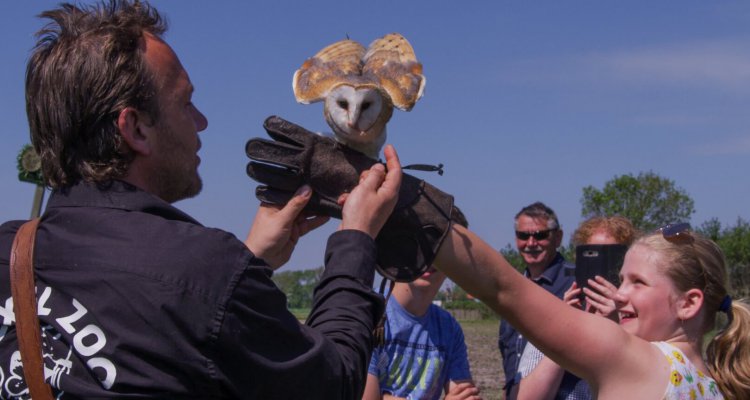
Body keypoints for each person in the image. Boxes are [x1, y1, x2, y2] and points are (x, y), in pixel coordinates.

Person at [0, 1, 404, 398]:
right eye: (185, 102)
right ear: (136, 129)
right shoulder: (205, 270)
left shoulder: (9, 253)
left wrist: (252, 263)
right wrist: (356, 238)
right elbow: (333, 382)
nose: (202, 122)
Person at [436, 221, 750, 399]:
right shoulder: (713, 383)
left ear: (689, 303)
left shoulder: (638, 360)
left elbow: (503, 289)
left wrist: (416, 208)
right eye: (621, 279)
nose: (621, 294)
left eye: (638, 282)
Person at [510, 216, 638, 400]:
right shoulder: (555, 316)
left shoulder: (641, 320)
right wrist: (566, 333)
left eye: (610, 259)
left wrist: (620, 326)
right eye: (593, 257)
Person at [362, 267, 482, 400]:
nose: (427, 257)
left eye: (437, 249)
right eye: (417, 246)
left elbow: (464, 395)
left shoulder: (449, 328)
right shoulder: (366, 314)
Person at [498, 202, 577, 397]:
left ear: (557, 238)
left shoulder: (576, 284)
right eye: (523, 236)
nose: (531, 243)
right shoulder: (512, 287)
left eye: (540, 235)